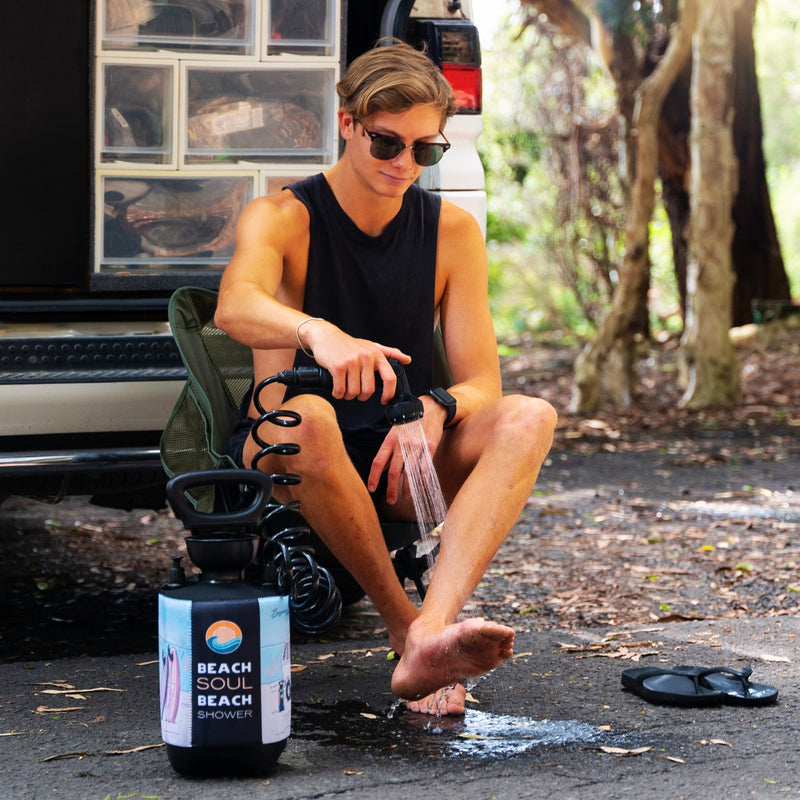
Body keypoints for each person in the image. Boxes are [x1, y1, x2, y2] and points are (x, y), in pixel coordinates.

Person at [214, 41, 557, 715]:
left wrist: (435, 408)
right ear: (348, 124)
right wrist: (318, 333)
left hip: (396, 459)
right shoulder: (281, 217)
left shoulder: (451, 232)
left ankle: (434, 630)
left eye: (425, 150)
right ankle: (407, 631)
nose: (404, 164)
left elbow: (483, 383)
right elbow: (234, 307)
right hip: (287, 451)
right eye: (387, 143)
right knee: (310, 417)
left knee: (530, 416)